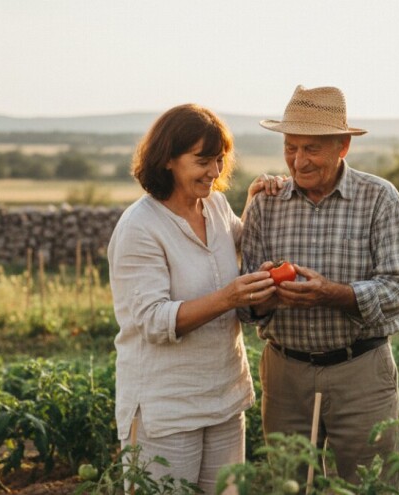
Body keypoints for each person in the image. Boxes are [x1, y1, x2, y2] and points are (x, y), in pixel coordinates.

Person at [239, 85, 399, 483]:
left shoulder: (379, 199)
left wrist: (331, 294)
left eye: (311, 149)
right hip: (285, 373)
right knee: (289, 484)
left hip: (360, 370)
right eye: (290, 148)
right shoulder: (266, 203)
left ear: (342, 147)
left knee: (372, 485)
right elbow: (245, 304)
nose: (298, 161)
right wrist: (266, 296)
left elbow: (398, 288)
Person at [107, 103, 283, 493]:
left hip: (224, 395)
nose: (215, 172)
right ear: (167, 159)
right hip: (166, 407)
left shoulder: (215, 206)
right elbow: (153, 321)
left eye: (220, 160)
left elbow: (238, 243)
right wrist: (228, 297)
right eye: (203, 161)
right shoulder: (141, 227)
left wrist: (256, 201)